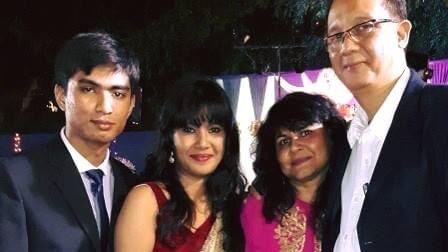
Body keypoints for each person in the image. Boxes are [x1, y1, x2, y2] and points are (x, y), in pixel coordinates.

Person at [323, 0, 448, 251]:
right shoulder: (346, 143)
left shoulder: (439, 114)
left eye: (363, 26)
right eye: (336, 36)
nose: (346, 45)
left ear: (401, 34)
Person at [0, 32, 141, 252]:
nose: (105, 107)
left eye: (118, 93)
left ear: (131, 104)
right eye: (88, 89)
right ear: (61, 96)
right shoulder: (16, 179)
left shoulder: (134, 186)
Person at [114, 78, 247, 251]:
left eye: (214, 130)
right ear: (170, 138)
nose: (203, 143)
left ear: (228, 140)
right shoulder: (147, 200)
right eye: (189, 130)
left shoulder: (234, 209)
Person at [241, 92, 346, 252]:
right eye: (283, 141)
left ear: (330, 135)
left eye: (305, 133)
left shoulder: (355, 197)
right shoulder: (258, 209)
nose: (294, 147)